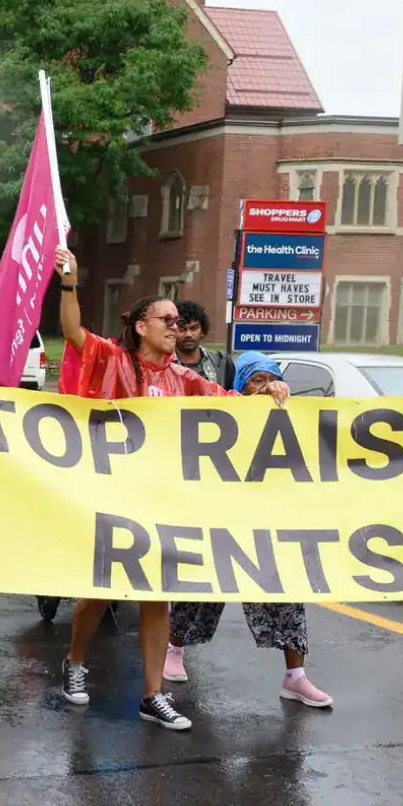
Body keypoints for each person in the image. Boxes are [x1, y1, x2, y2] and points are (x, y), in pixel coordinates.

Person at [55, 248, 288, 730]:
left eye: (178, 321)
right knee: (101, 591)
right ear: (141, 325)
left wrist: (266, 393)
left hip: (161, 502)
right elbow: (73, 331)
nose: (175, 327)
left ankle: (153, 693)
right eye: (166, 319)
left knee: (157, 595)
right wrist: (70, 284)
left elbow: (231, 404)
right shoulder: (112, 358)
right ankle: (75, 662)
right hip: (113, 496)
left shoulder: (186, 379)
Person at [163, 352, 333, 709]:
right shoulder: (220, 420)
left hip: (267, 525)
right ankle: (173, 650)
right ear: (241, 387)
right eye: (257, 380)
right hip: (222, 520)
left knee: (286, 596)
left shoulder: (285, 419)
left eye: (272, 378)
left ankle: (296, 677)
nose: (267, 386)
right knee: (200, 588)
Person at [173, 300, 235, 390]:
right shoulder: (164, 364)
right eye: (182, 329)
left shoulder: (222, 362)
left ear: (202, 331)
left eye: (194, 328)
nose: (188, 334)